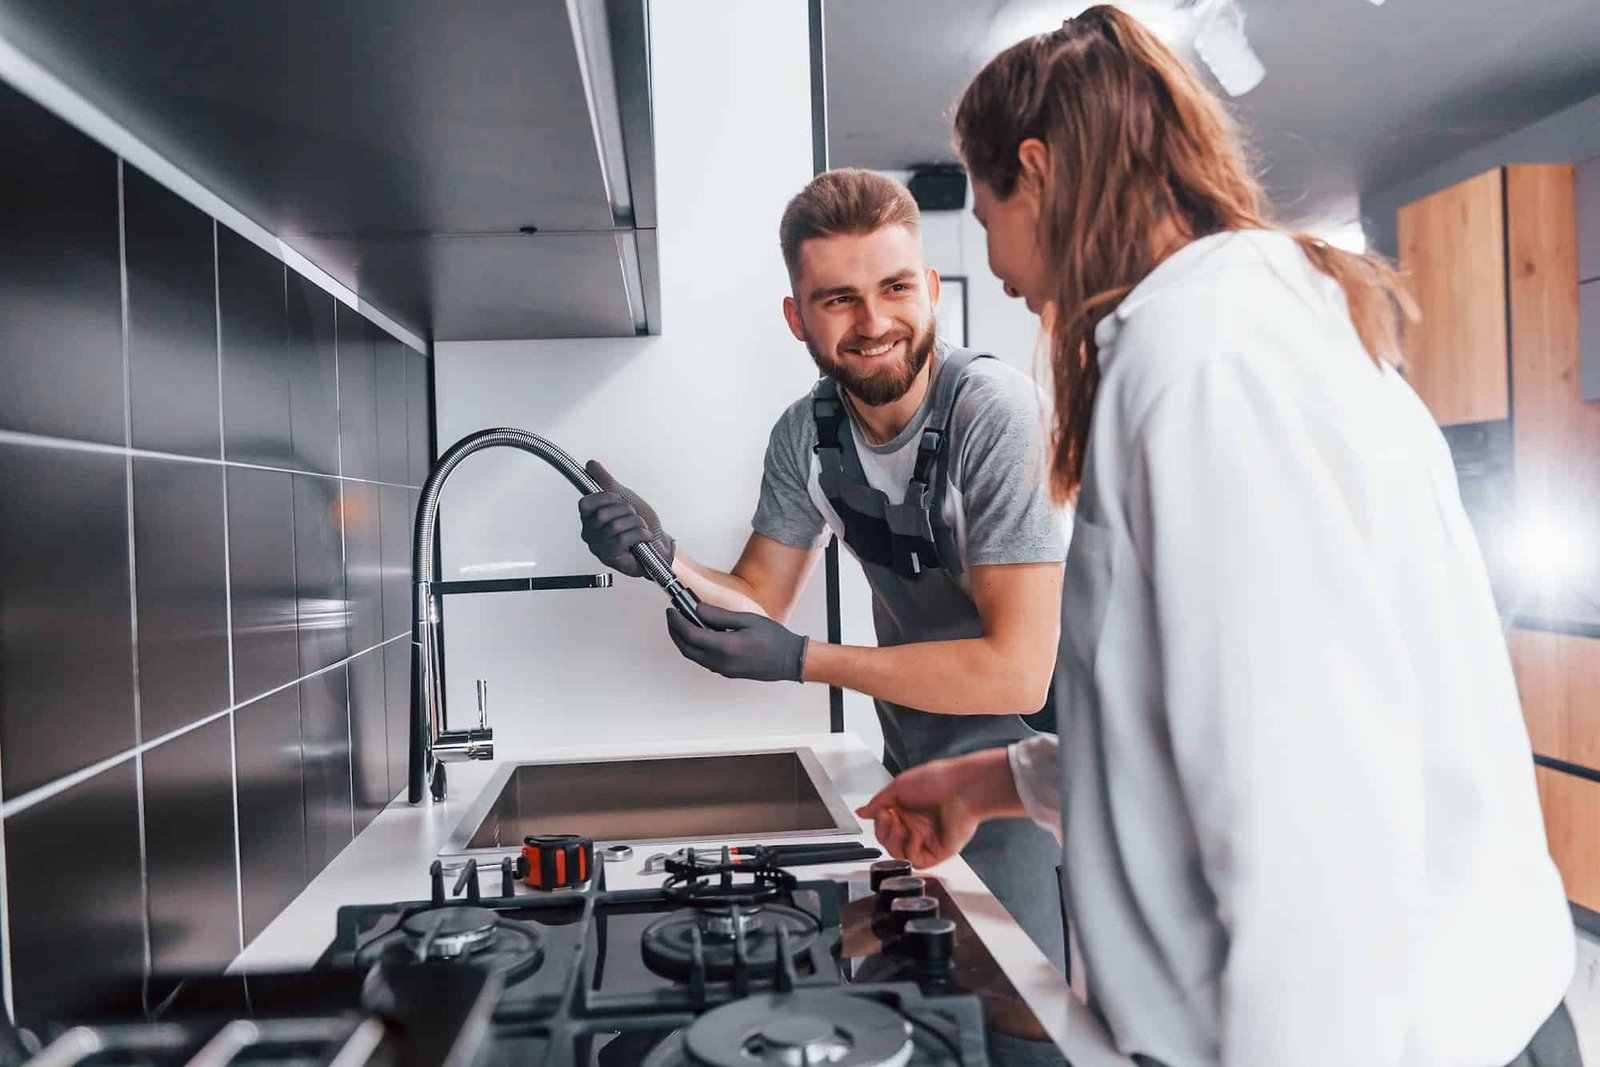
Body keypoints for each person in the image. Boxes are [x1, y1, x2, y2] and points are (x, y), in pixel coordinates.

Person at [855, 8, 1581, 1067]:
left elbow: (1308, 817)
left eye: (982, 204)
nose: (995, 259)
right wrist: (992, 780)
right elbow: (1217, 729)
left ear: (1037, 169)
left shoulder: (1206, 367)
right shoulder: (1241, 333)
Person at [576, 169, 1071, 981]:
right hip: (916, 768)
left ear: (933, 290)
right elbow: (760, 598)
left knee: (1015, 1024)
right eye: (838, 299)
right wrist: (663, 559)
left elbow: (1017, 671)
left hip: (1032, 784)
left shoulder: (996, 416)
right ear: (796, 316)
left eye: (896, 287)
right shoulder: (808, 436)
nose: (874, 322)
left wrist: (804, 658)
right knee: (921, 1010)